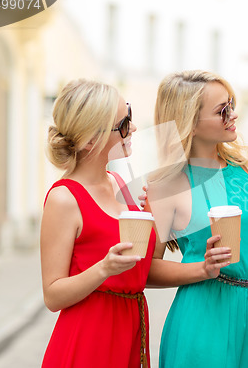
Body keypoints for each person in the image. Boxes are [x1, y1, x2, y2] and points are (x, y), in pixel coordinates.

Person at [144, 70, 248, 368]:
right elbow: (146, 271)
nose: (233, 115)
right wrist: (202, 269)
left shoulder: (246, 169)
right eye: (222, 110)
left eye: (231, 104)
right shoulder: (166, 186)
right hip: (203, 318)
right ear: (190, 121)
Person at [40, 79, 156, 368]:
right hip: (89, 341)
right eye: (124, 123)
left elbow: (141, 270)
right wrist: (103, 268)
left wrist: (204, 269)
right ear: (90, 140)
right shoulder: (64, 198)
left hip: (131, 330)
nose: (135, 129)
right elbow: (52, 295)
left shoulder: (119, 182)